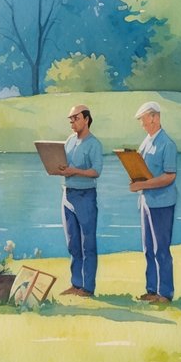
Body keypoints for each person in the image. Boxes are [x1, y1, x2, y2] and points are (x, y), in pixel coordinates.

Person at [129, 101, 178, 304]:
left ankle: (164, 293)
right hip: (147, 202)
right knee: (148, 248)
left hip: (162, 203)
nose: (142, 124)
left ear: (154, 118)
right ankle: (151, 289)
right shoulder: (147, 141)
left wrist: (144, 184)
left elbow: (169, 177)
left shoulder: (167, 143)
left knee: (161, 249)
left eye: (143, 120)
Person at [58, 104, 102, 297]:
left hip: (85, 196)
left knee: (88, 244)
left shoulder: (94, 144)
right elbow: (65, 165)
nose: (72, 122)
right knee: (73, 243)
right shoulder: (68, 141)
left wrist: (75, 171)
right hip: (67, 195)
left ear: (86, 119)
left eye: (75, 118)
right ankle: (76, 284)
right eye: (70, 119)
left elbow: (96, 171)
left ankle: (88, 288)